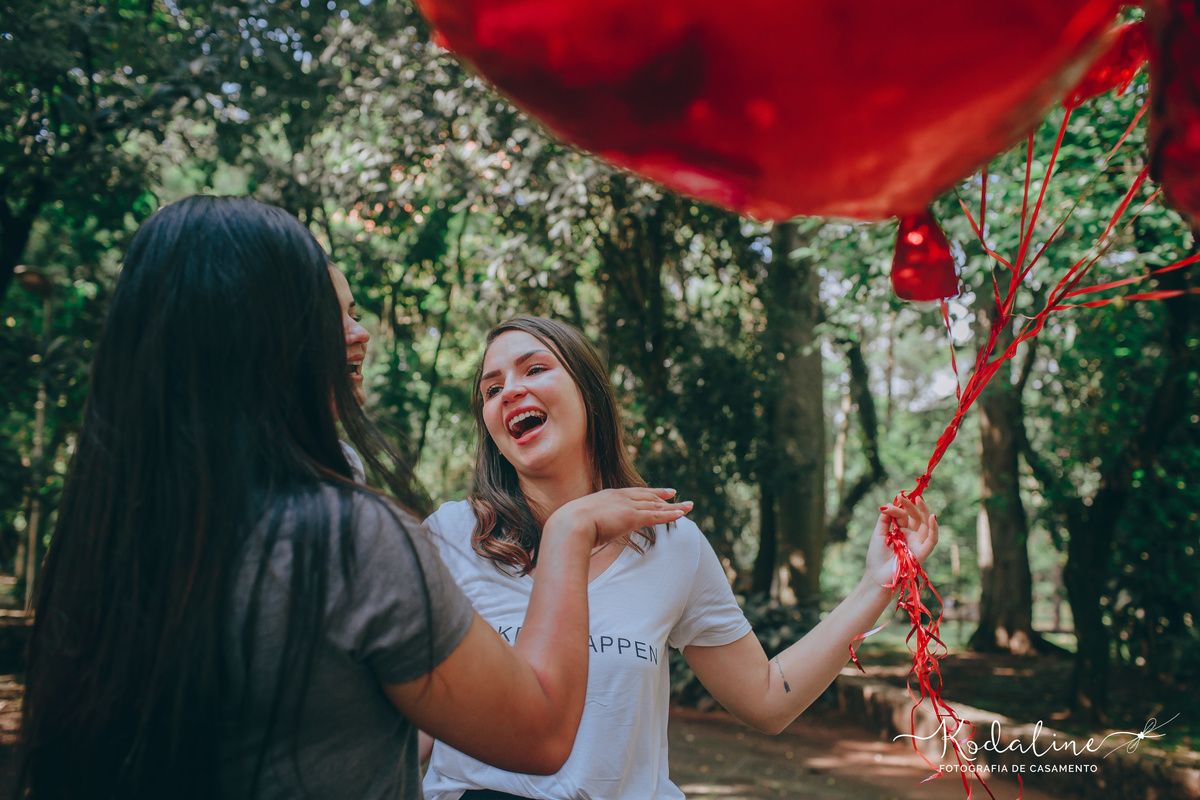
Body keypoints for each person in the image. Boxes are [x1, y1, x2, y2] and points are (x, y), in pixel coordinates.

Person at [18, 197, 692, 800]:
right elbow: (540, 733)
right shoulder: (352, 541)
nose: (361, 333)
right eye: (334, 314)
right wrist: (571, 533)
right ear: (267, 338)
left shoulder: (103, 546)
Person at [422, 316, 939, 800]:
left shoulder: (672, 545)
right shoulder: (451, 537)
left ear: (589, 393)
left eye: (535, 368)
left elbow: (766, 699)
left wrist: (877, 584)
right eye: (492, 389)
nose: (510, 390)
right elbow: (411, 723)